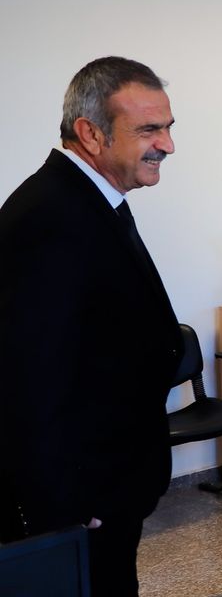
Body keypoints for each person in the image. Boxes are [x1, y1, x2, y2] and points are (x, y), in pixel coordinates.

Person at [0, 57, 181, 596]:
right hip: (84, 503)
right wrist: (69, 504)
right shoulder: (48, 218)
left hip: (113, 484)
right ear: (91, 133)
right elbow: (28, 382)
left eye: (168, 127)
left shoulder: (93, 199)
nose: (168, 145)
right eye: (149, 130)